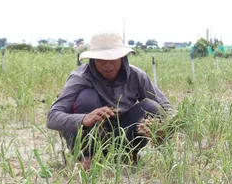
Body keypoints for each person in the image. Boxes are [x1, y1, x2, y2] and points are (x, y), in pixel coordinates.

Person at [47, 32, 172, 168]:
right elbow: (52, 117)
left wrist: (166, 126)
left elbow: (165, 107)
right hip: (91, 135)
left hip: (123, 134)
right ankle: (88, 156)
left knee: (151, 107)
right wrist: (84, 118)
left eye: (112, 59)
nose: (107, 65)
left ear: (122, 58)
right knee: (86, 98)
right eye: (100, 60)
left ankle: (129, 153)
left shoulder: (137, 76)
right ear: (93, 60)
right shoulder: (80, 77)